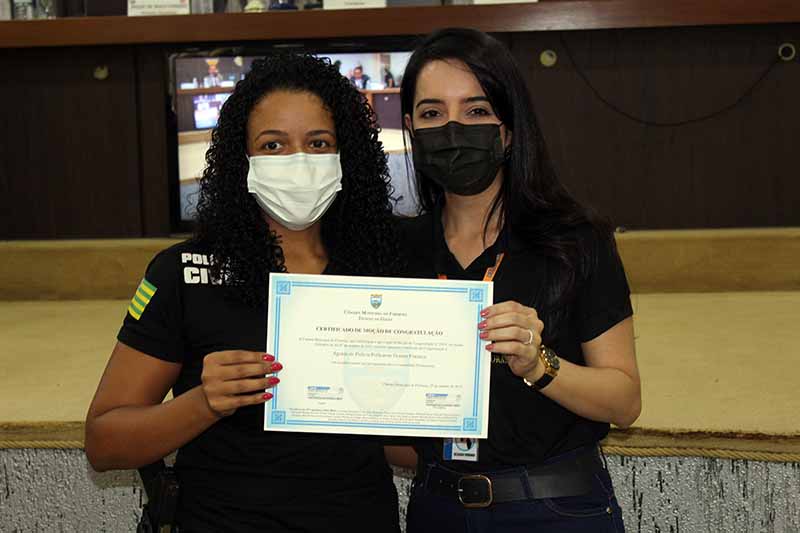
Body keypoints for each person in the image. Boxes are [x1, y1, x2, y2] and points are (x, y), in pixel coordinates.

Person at [85, 53, 402, 532]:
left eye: (318, 143)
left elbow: (407, 444)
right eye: (273, 145)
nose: (298, 161)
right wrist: (204, 403)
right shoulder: (184, 273)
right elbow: (104, 443)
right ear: (243, 160)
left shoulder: (387, 269)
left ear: (347, 155)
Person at [395, 28, 641, 532]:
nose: (454, 128)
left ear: (508, 130)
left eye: (477, 111)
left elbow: (624, 401)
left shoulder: (575, 239)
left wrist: (539, 364)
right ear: (411, 129)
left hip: (555, 508)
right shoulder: (394, 251)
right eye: (433, 113)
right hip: (436, 506)